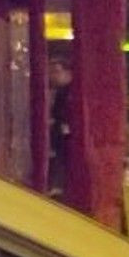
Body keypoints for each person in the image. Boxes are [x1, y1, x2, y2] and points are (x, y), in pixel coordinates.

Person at [47, 55, 74, 195]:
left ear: (68, 72)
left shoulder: (73, 93)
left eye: (56, 72)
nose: (52, 76)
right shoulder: (59, 92)